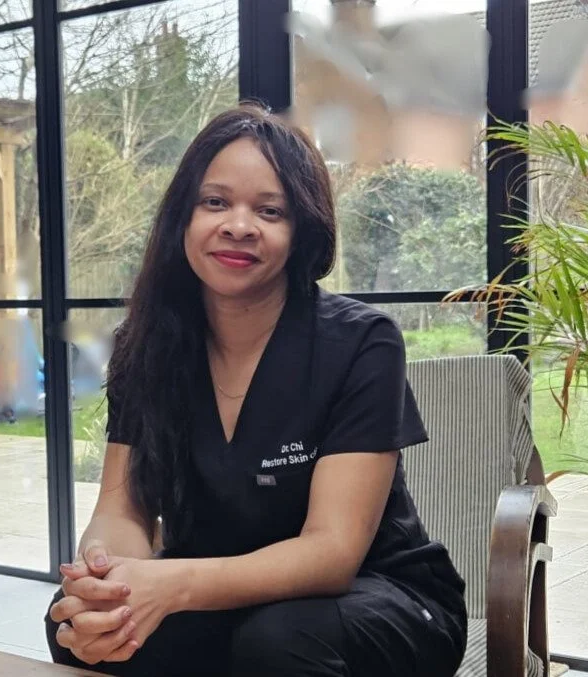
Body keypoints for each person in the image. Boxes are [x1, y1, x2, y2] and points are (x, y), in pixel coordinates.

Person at [44, 104, 467, 677]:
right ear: (182, 219)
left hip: (376, 599)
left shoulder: (363, 342)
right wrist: (110, 580)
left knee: (278, 643)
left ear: (301, 232)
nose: (238, 225)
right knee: (73, 624)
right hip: (227, 595)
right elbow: (122, 508)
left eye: (270, 210)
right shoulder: (146, 346)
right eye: (214, 202)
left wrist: (169, 585)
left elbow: (332, 555)